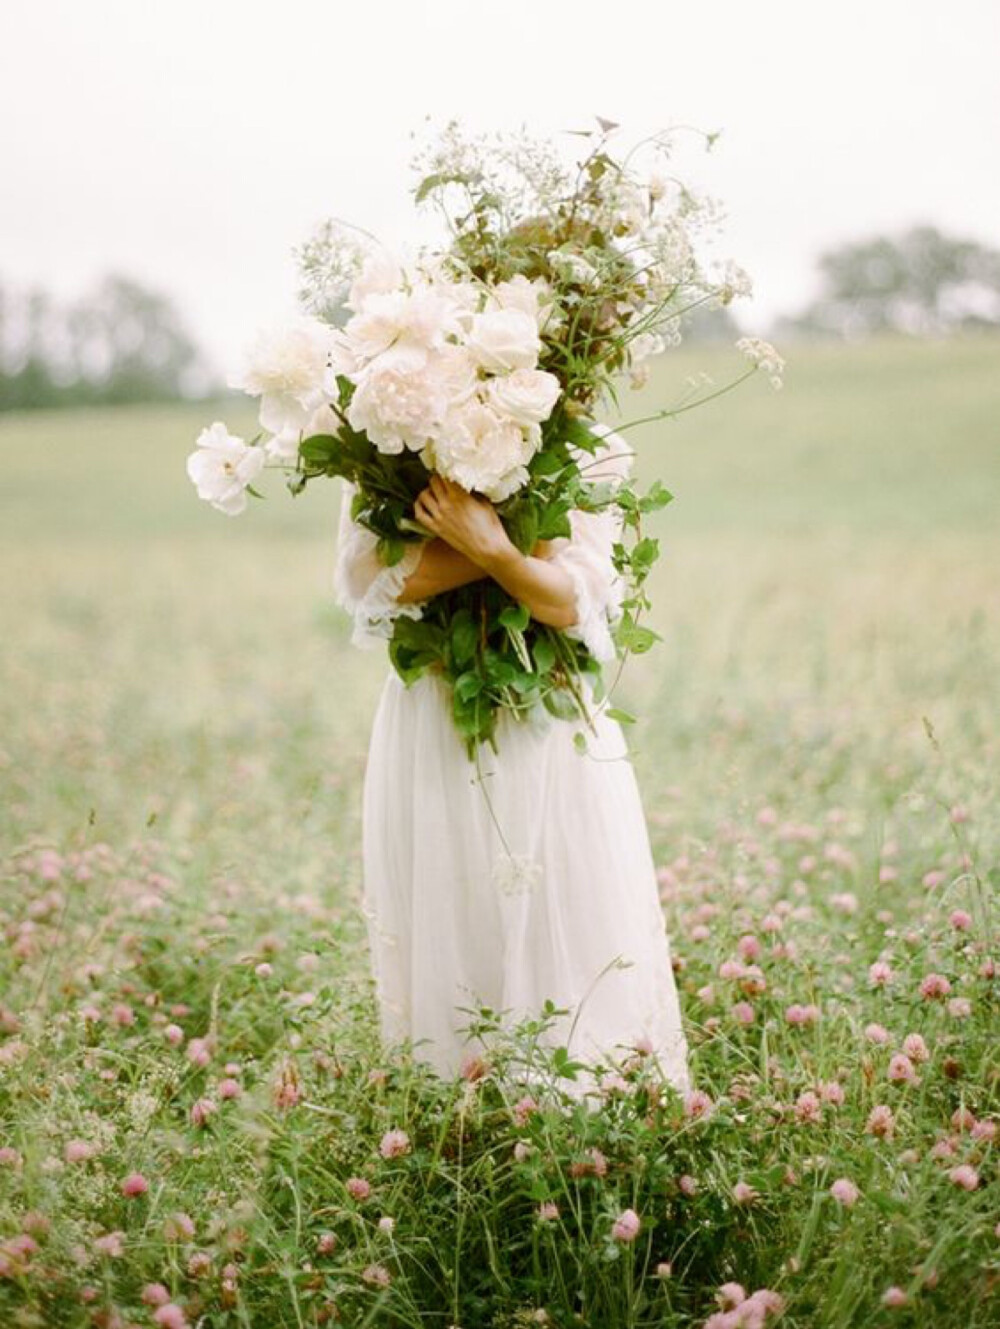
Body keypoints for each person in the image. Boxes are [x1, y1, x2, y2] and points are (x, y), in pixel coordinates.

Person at [333, 423, 692, 1102]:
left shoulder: (589, 439)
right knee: (453, 922)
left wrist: (490, 544)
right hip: (436, 707)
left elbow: (569, 600)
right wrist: (522, 545)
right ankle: (458, 1129)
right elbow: (365, 577)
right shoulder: (389, 432)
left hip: (548, 719)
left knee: (575, 930)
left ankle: (593, 1133)